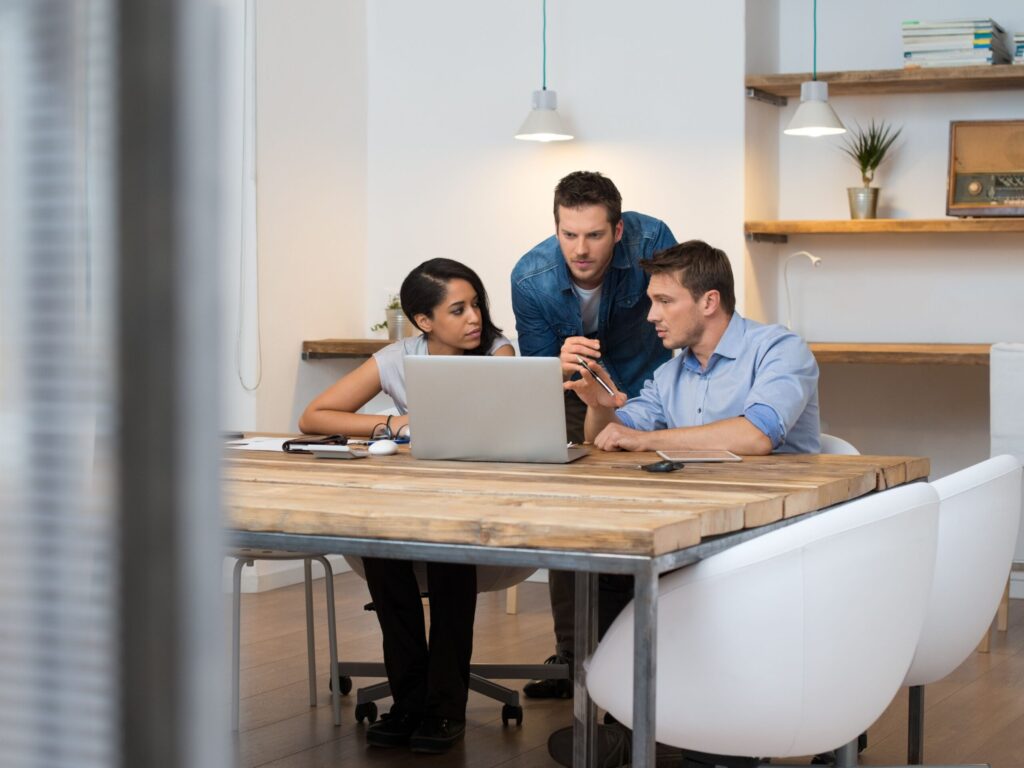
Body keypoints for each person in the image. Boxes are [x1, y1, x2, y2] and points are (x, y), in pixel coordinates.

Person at [547, 239, 821, 768]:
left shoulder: (779, 349)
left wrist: (646, 439)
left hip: (777, 534)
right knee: (601, 568)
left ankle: (709, 731)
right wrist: (600, 408)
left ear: (709, 302)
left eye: (664, 301)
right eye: (651, 301)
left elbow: (758, 434)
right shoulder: (670, 373)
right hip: (698, 527)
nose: (652, 315)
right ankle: (633, 722)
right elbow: (610, 441)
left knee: (686, 580)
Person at [299, 258, 513, 755]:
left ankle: (444, 707)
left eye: (475, 303)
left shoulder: (498, 354)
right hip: (408, 502)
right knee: (379, 548)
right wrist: (393, 426)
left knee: (449, 563)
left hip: (473, 508)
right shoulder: (398, 356)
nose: (474, 317)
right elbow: (315, 416)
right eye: (458, 309)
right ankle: (408, 701)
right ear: (424, 321)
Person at [511, 170, 677, 698]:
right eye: (568, 235)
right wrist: (557, 363)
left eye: (595, 235)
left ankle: (654, 652)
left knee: (656, 510)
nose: (580, 250)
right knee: (570, 514)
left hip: (650, 388)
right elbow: (540, 372)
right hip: (574, 393)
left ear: (620, 230)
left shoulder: (654, 242)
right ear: (555, 227)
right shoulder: (530, 278)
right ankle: (574, 658)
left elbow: (677, 315)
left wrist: (638, 406)